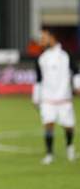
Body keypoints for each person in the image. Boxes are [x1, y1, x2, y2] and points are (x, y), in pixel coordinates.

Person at [32, 27, 79, 165]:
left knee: (68, 126)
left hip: (64, 98)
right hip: (47, 98)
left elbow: (76, 71)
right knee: (48, 125)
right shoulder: (41, 58)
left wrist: (77, 86)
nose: (41, 41)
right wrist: (36, 97)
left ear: (52, 38)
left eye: (43, 38)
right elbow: (39, 79)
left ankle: (69, 147)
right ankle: (49, 154)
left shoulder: (66, 55)